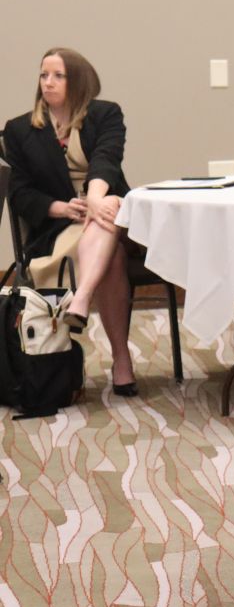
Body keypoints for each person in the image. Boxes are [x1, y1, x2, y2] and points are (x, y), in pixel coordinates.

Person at [3, 49, 140, 396]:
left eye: (58, 76)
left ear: (78, 81)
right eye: (43, 75)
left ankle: (82, 297)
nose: (47, 82)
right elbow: (20, 193)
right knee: (113, 257)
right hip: (59, 226)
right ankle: (121, 360)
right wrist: (62, 209)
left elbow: (107, 160)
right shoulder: (19, 130)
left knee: (110, 204)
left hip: (110, 212)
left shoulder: (105, 114)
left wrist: (93, 200)